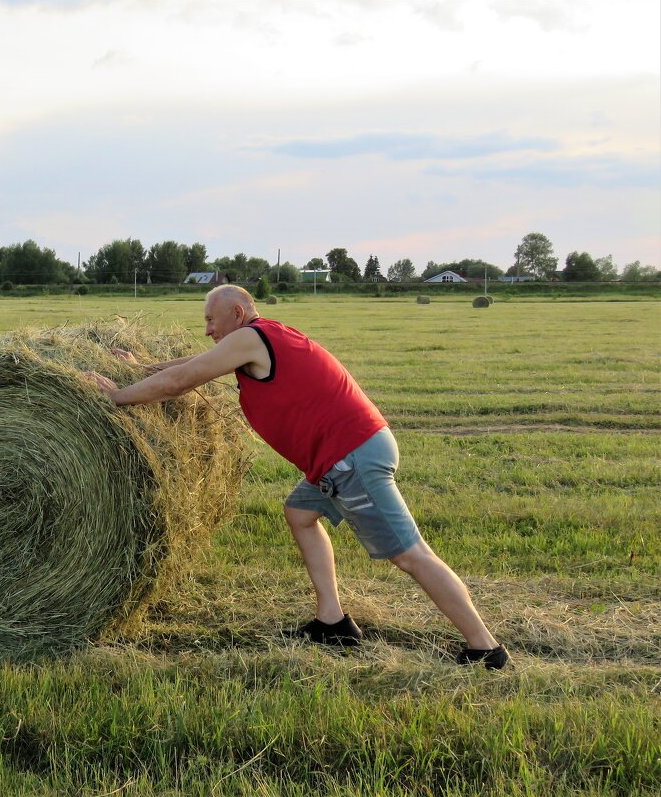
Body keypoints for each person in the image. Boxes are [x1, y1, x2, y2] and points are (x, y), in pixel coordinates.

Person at [85, 284, 508, 669]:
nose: (208, 330)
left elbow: (181, 380)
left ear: (236, 312)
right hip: (343, 454)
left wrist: (117, 397)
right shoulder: (261, 336)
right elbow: (196, 363)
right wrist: (143, 365)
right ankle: (333, 622)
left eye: (211, 320)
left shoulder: (252, 338)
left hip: (351, 456)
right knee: (299, 513)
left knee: (411, 556)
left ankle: (484, 647)